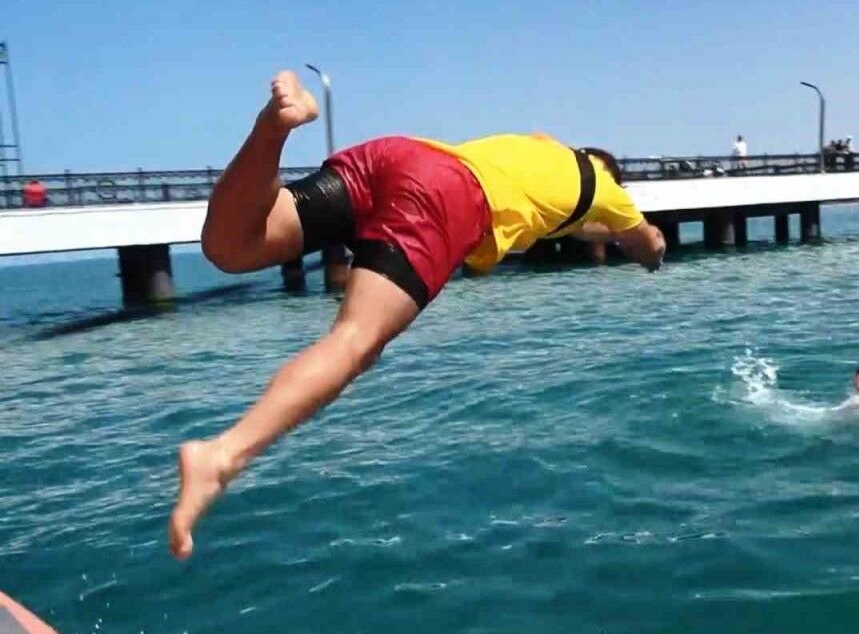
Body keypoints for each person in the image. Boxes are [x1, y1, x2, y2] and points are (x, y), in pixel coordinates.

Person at [168, 70, 667, 560]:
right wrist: (648, 244)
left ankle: (273, 127)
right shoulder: (609, 193)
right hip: (442, 194)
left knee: (231, 247)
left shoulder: (543, 148)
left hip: (396, 156)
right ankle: (221, 457)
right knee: (356, 340)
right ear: (609, 175)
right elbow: (645, 244)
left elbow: (573, 219)